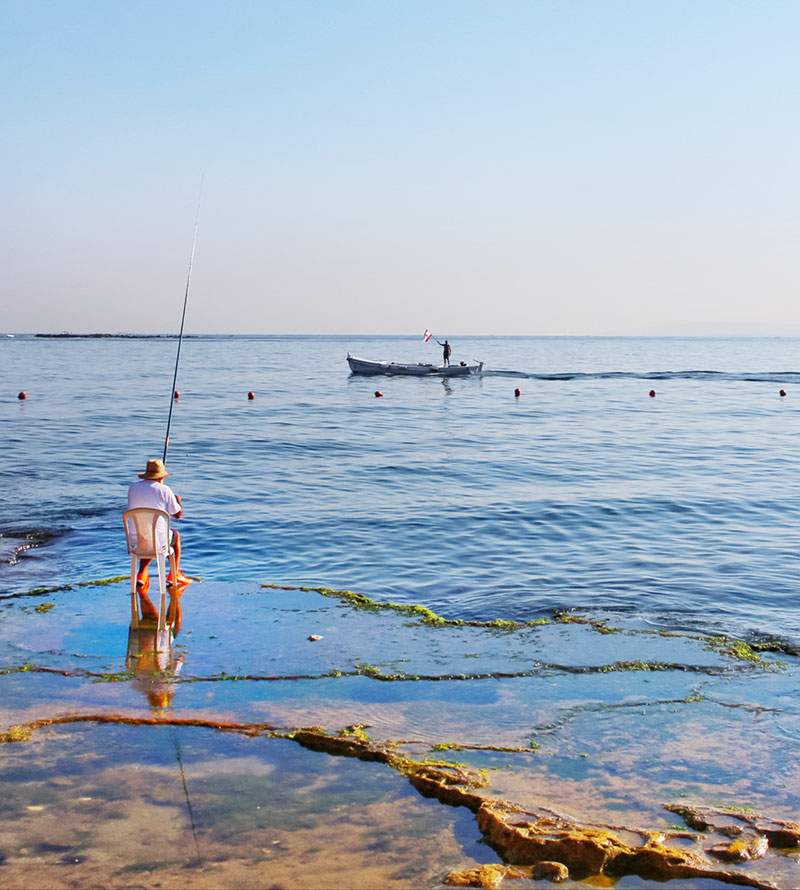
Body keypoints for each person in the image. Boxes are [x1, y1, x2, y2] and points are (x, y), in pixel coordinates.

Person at [127, 458, 189, 590]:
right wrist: (178, 501)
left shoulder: (133, 487)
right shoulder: (165, 490)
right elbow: (177, 515)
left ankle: (141, 574)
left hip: (134, 540)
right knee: (175, 536)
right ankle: (174, 573)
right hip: (156, 541)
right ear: (161, 476)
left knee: (147, 535)